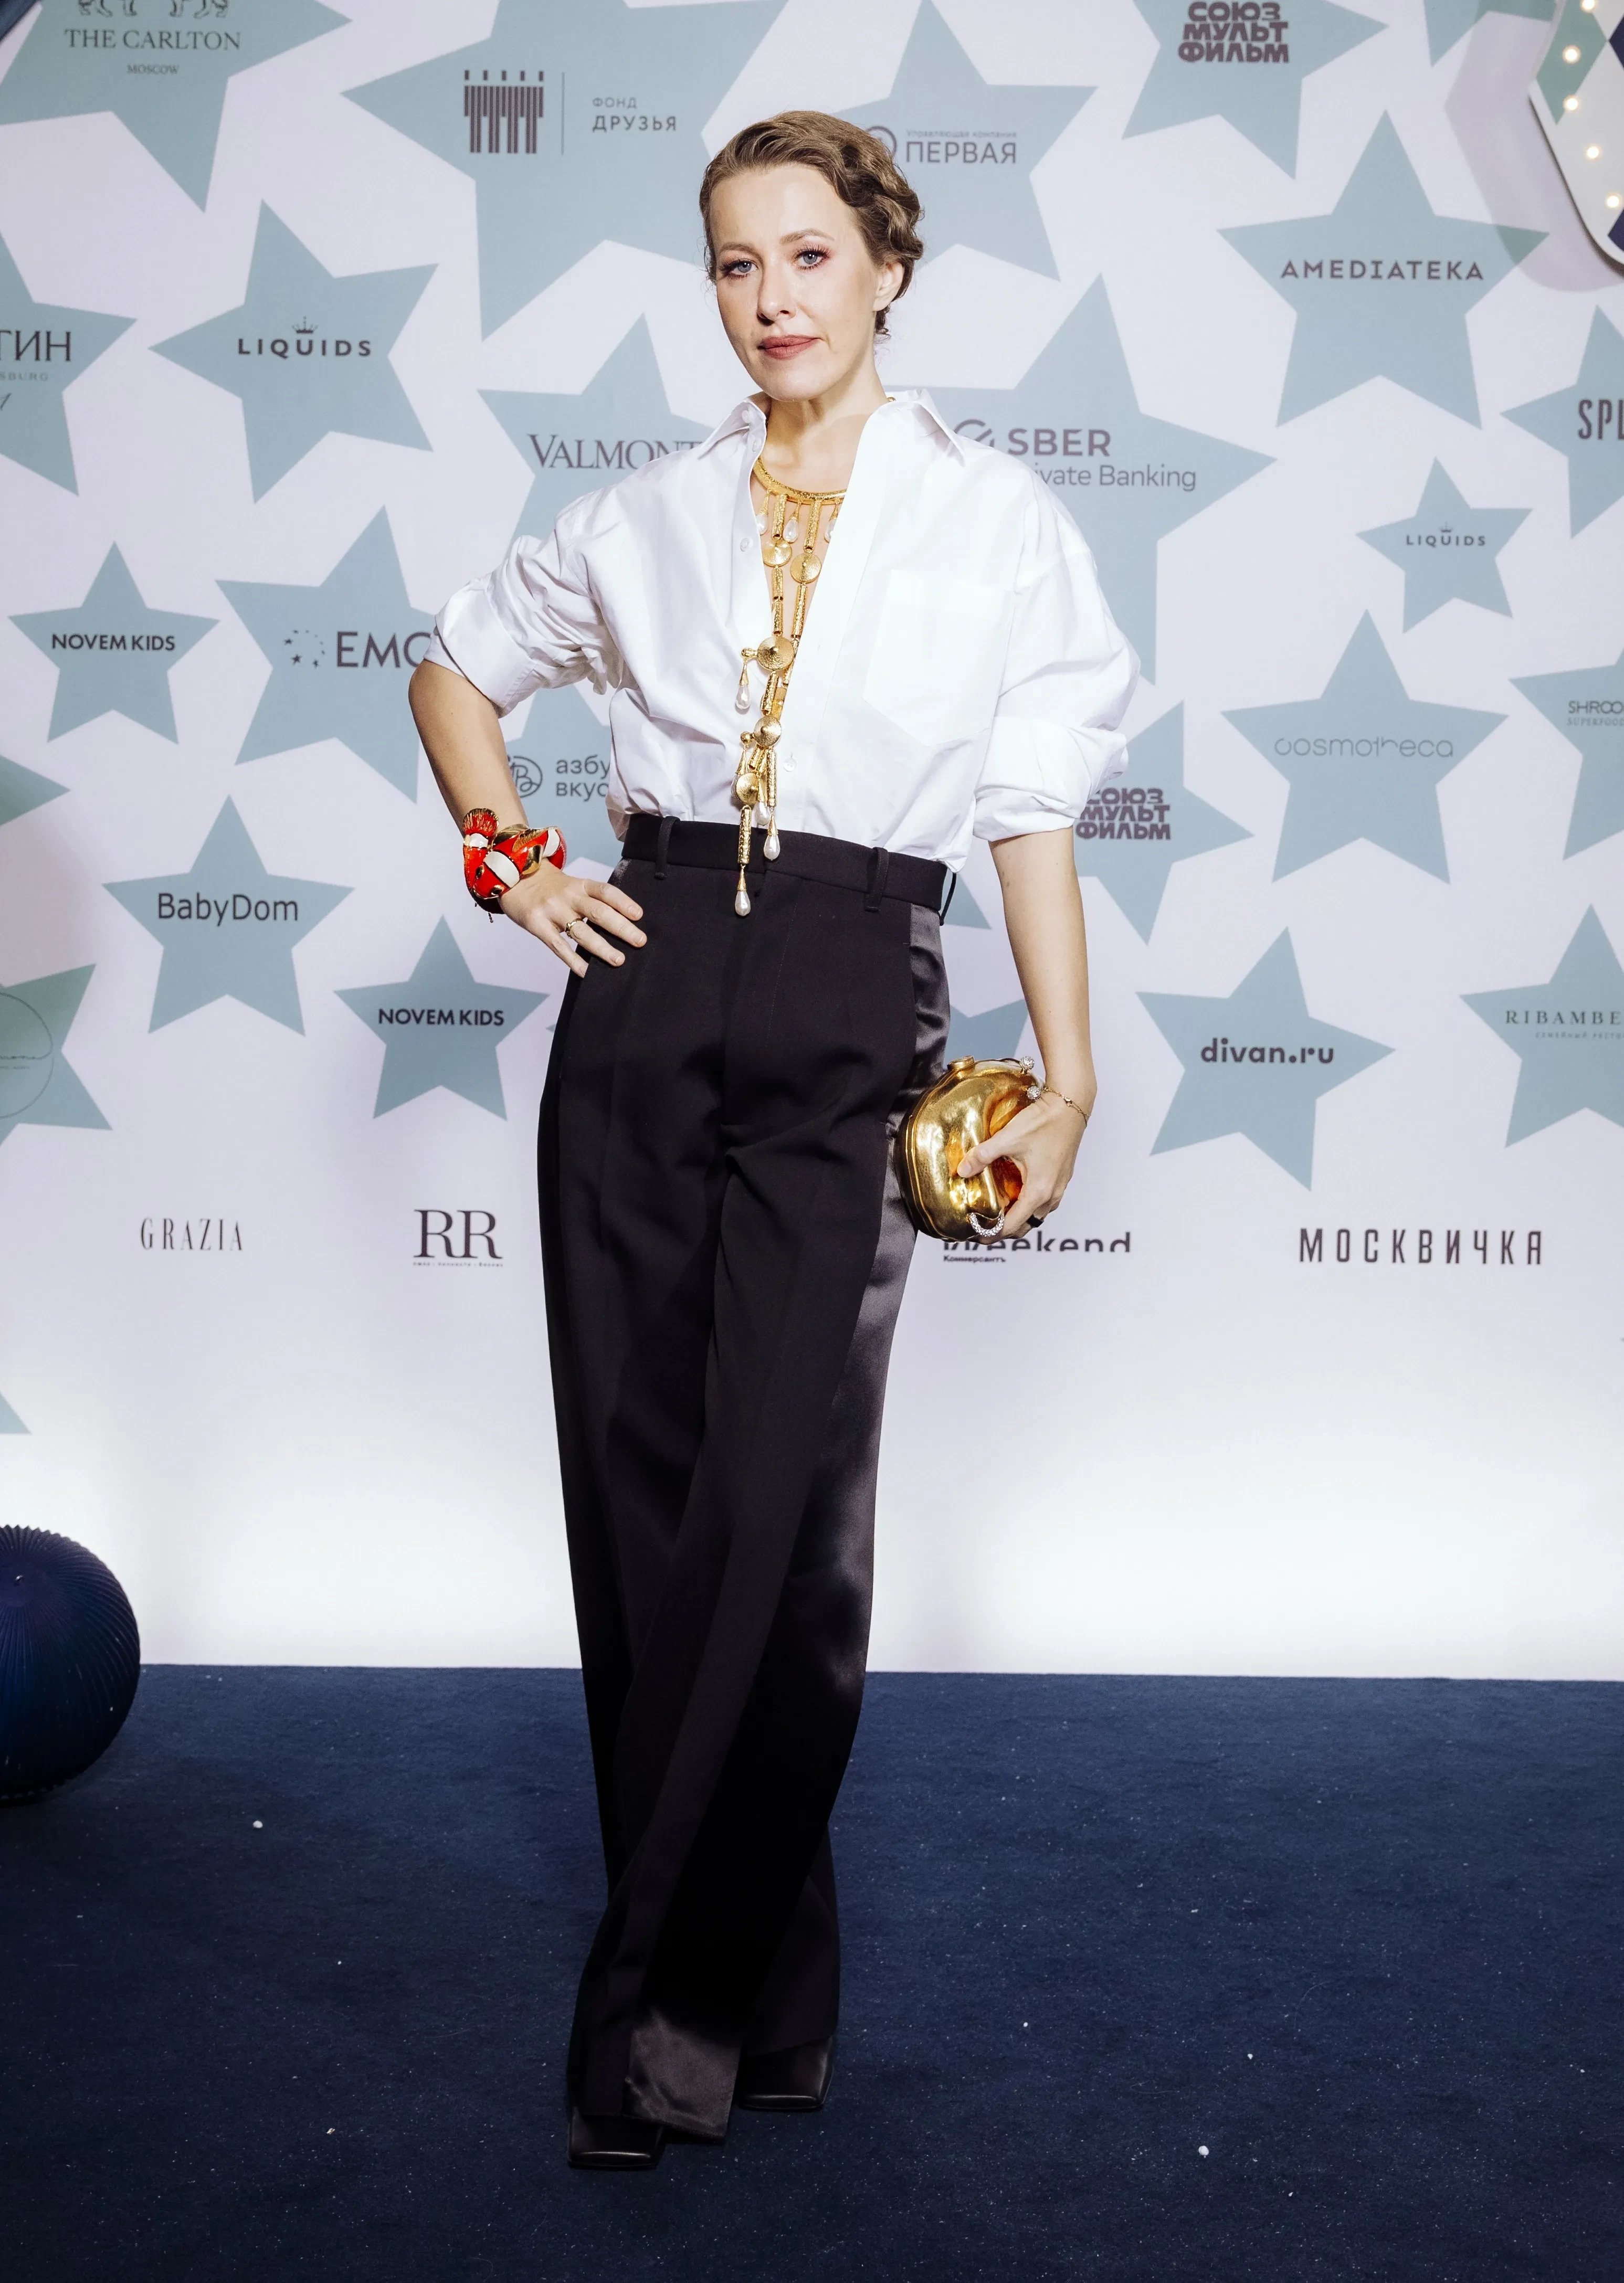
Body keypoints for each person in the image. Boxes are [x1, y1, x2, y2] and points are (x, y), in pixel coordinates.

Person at [408, 111, 1137, 2170]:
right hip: (639, 1000)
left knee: (778, 1523)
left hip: (846, 999)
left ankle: (649, 2032)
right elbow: (452, 667)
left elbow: (1027, 816)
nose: (770, 299)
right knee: (643, 1517)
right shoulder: (643, 510)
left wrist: (1065, 1076)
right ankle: (773, 1997)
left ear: (886, 266)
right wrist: (510, 860)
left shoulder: (993, 522)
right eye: (735, 263)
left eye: (808, 255)